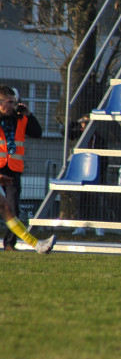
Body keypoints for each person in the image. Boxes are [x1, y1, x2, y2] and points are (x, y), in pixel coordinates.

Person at [0, 85, 49, 252]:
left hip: (12, 168)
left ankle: (9, 244)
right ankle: (36, 245)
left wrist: (29, 115)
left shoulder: (20, 118)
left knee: (11, 207)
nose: (14, 106)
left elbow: (37, 133)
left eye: (16, 102)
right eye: (10, 102)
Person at [72, 115, 106, 237]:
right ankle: (81, 226)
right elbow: (64, 132)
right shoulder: (78, 135)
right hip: (81, 171)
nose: (85, 125)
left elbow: (104, 158)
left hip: (95, 172)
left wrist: (102, 174)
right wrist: (76, 122)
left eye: (88, 123)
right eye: (84, 123)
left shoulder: (99, 138)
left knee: (96, 200)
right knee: (82, 200)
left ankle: (98, 226)